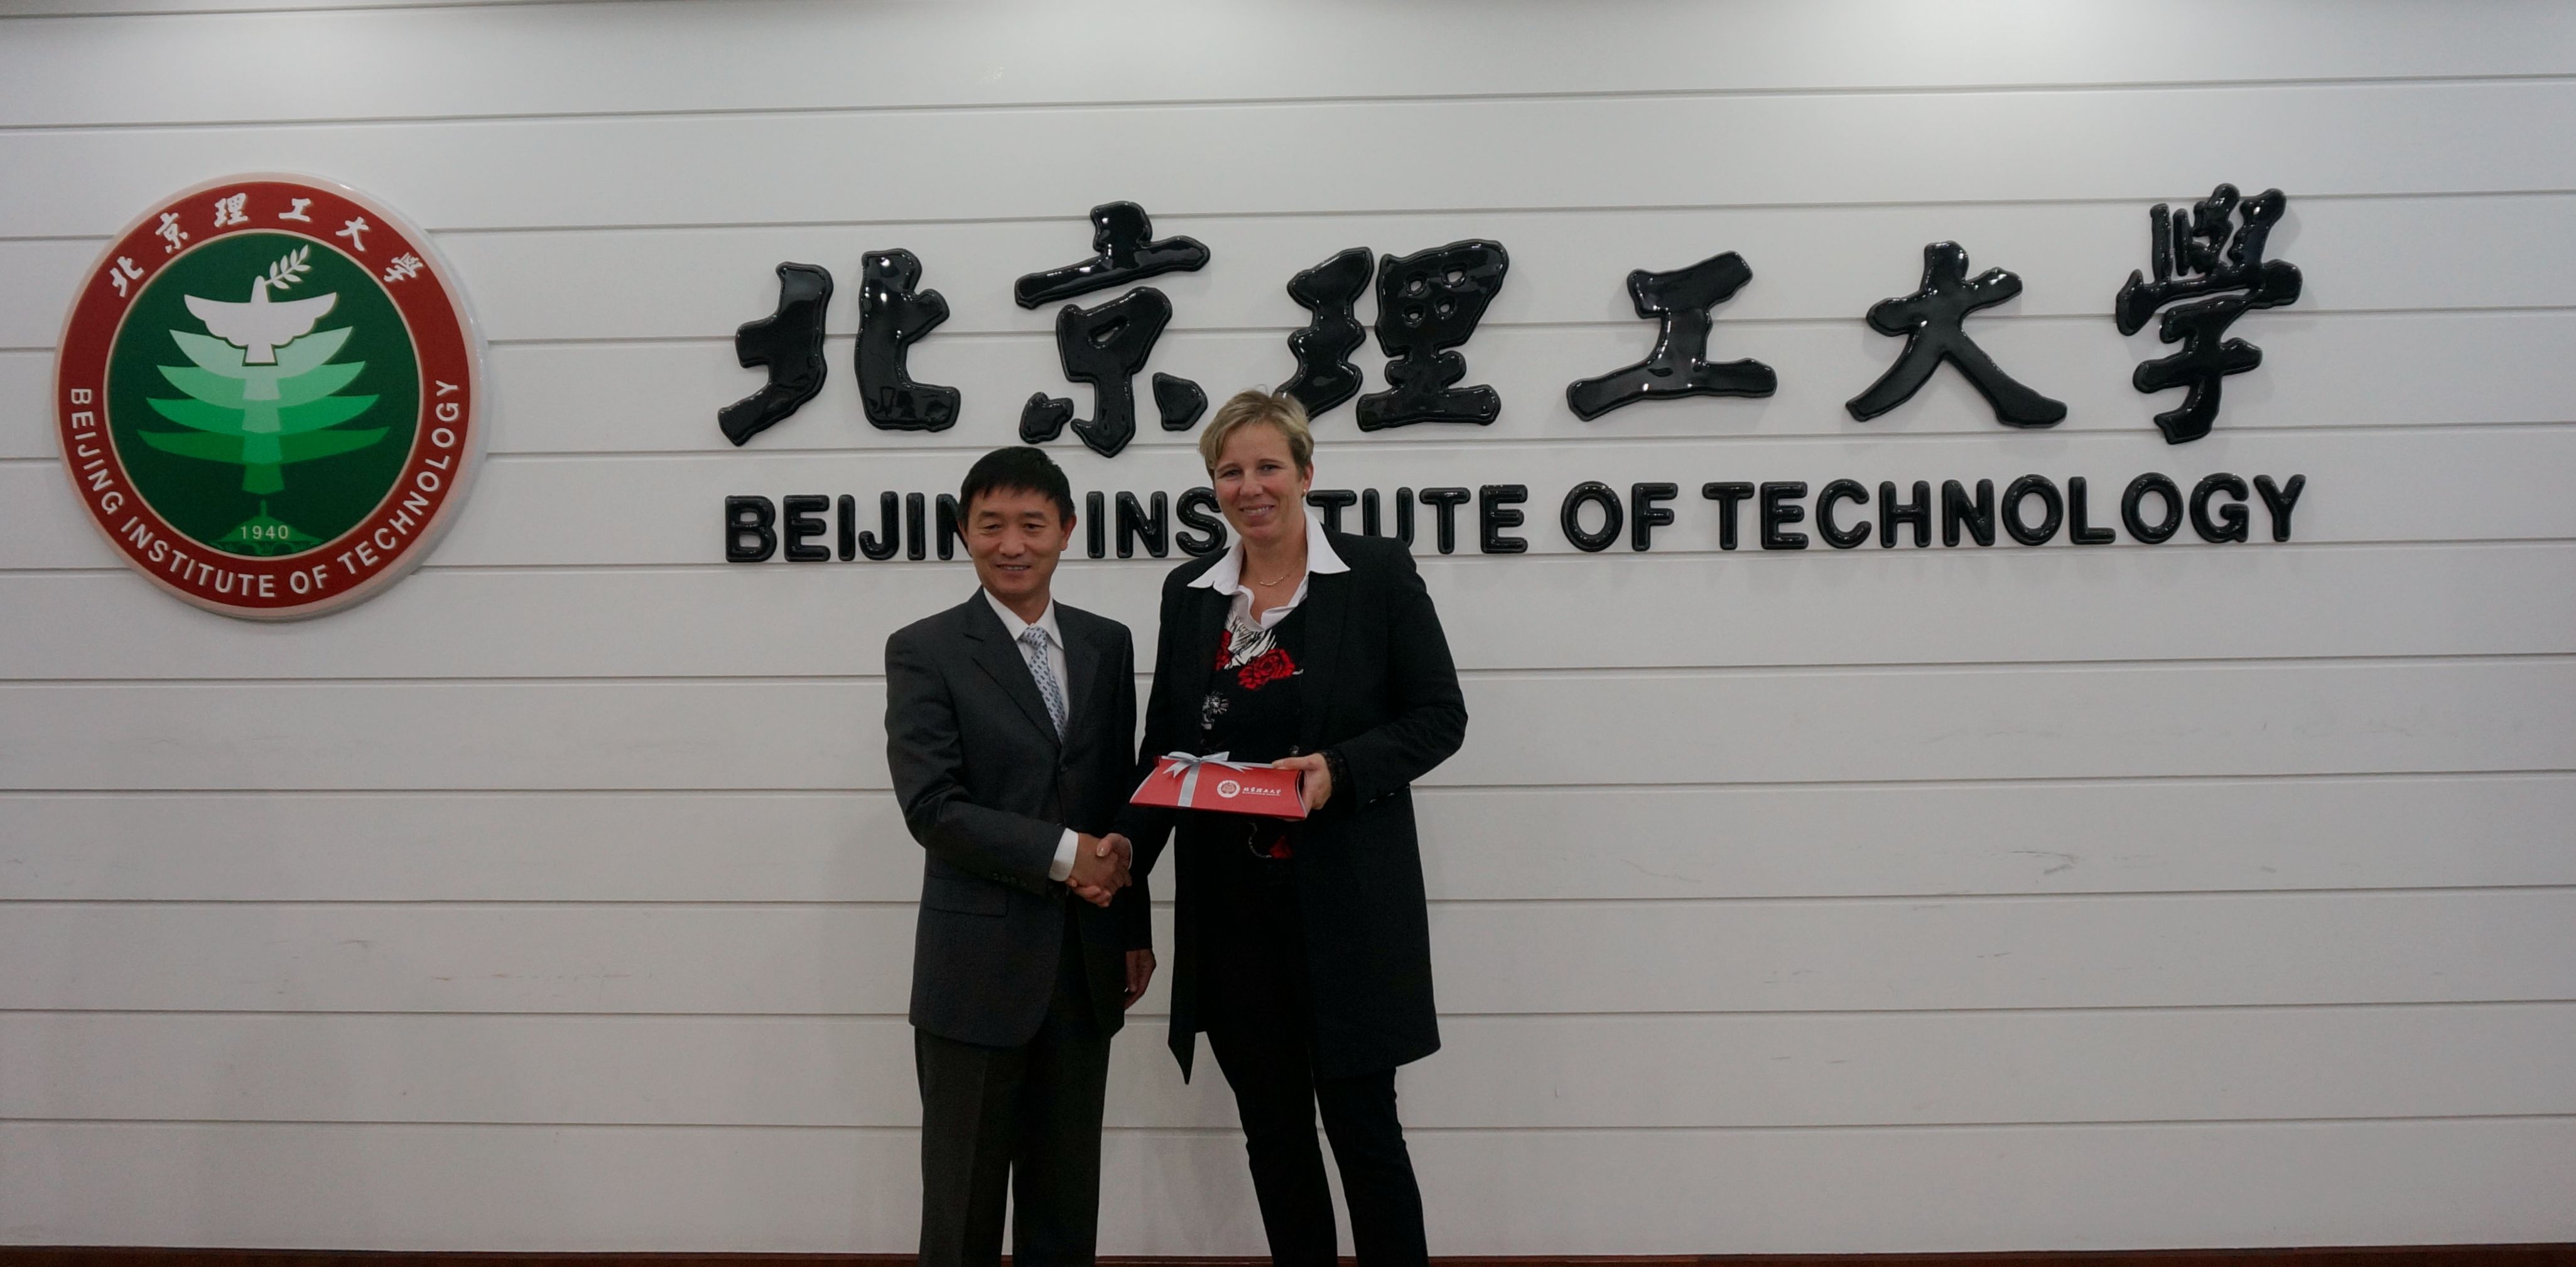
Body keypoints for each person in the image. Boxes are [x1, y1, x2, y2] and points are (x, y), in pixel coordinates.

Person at [1117, 390, 1469, 1264]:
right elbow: (1164, 753)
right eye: (1230, 471)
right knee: (1273, 1136)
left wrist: (1338, 770)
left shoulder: (1374, 572)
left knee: (1364, 1132)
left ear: (1307, 473)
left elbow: (1439, 717)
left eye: (1268, 466)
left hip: (1348, 909)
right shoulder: (1189, 593)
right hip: (1233, 918)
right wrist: (1120, 865)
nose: (1250, 486)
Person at [884, 446, 1157, 1267]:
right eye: (991, 525)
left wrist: (1132, 928)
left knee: (1065, 1211)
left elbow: (1118, 795)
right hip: (974, 973)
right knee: (961, 1213)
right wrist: (1068, 854)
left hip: (1085, 964)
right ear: (964, 531)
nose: (1012, 544)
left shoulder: (1107, 644)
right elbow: (933, 808)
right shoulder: (925, 648)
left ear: (1066, 530)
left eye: (1032, 524)